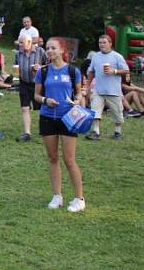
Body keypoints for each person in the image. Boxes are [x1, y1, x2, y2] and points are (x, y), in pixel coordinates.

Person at [35, 37, 85, 212]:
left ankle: (79, 198)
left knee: (69, 159)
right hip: (47, 117)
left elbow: (79, 94)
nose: (49, 51)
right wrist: (46, 100)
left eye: (53, 48)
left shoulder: (73, 71)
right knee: (53, 158)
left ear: (62, 50)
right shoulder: (42, 71)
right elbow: (36, 96)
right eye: (47, 48)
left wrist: (78, 100)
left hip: (68, 118)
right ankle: (57, 195)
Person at [85, 35, 129, 140]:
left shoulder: (117, 56)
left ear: (110, 43)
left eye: (104, 42)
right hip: (98, 90)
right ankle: (96, 132)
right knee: (95, 111)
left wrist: (113, 71)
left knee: (117, 112)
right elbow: (91, 71)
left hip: (113, 90)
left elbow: (126, 70)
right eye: (100, 43)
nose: (101, 44)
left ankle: (117, 133)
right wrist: (87, 86)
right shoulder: (95, 56)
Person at [14, 34, 48, 142]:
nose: (19, 45)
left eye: (21, 42)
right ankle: (27, 133)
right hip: (23, 83)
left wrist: (41, 67)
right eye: (19, 42)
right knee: (25, 108)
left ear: (28, 42)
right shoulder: (18, 53)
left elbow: (50, 65)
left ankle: (44, 129)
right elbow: (16, 65)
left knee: (41, 109)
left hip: (38, 84)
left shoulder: (40, 51)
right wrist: (16, 70)